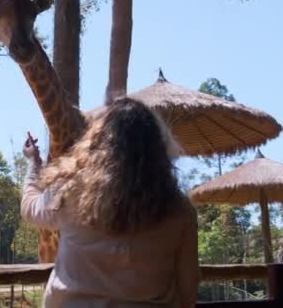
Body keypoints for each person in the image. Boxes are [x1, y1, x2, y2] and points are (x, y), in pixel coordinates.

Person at [21, 98, 199, 308]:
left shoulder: (71, 190)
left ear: (97, 141)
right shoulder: (180, 210)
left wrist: (33, 164)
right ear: (159, 147)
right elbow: (188, 291)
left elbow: (30, 208)